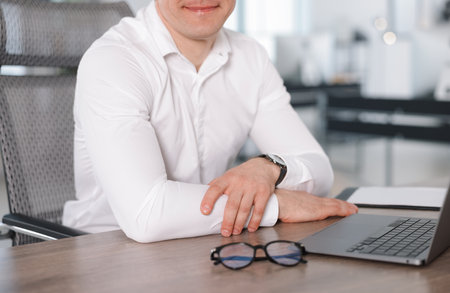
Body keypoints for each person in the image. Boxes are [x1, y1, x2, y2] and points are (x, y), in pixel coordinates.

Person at [62, 0, 357, 243]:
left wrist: (269, 168)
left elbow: (319, 170)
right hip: (104, 251)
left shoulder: (250, 57)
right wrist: (276, 205)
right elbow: (146, 215)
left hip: (204, 242)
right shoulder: (114, 60)